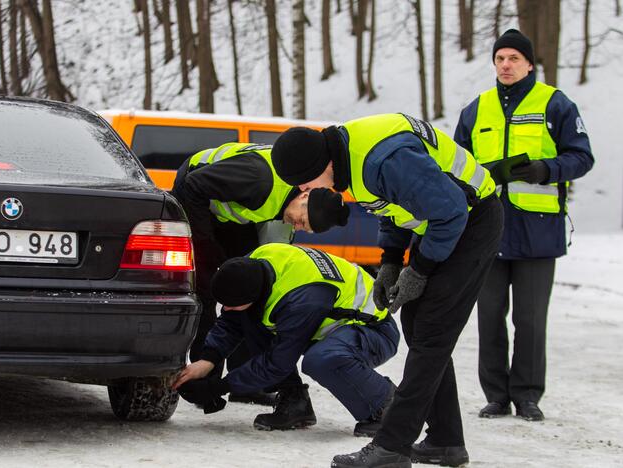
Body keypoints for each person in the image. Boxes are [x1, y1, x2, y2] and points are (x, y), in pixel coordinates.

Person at [270, 114, 503, 467]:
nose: (304, 192)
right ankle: (445, 440)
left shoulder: (385, 158)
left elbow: (451, 211)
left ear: (323, 164)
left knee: (432, 332)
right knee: (418, 325)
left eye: (303, 183)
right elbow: (390, 208)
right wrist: (391, 261)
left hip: (471, 220)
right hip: (444, 222)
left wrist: (420, 269)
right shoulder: (350, 158)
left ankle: (391, 447)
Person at [453, 29, 594, 422]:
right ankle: (496, 396)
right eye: (500, 58)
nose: (506, 65)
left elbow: (582, 157)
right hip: (486, 231)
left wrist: (546, 170)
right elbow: (456, 164)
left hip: (538, 232)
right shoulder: (476, 109)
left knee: (530, 320)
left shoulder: (555, 104)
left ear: (530, 64)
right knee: (489, 315)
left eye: (514, 58)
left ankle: (528, 395)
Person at [171, 142, 349, 406]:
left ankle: (247, 383)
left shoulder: (286, 205)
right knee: (207, 289)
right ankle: (201, 381)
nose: (299, 226)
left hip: (230, 215)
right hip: (196, 197)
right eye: (302, 220)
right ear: (303, 196)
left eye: (305, 228)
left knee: (251, 287)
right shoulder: (259, 179)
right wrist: (205, 247)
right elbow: (193, 186)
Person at [172, 242, 400, 435]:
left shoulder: (301, 300)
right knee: (252, 318)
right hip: (330, 323)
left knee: (320, 359)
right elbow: (234, 318)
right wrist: (208, 360)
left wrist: (218, 386)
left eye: (231, 304)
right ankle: (295, 402)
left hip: (373, 330)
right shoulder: (257, 262)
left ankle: (385, 406)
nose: (227, 308)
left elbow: (277, 363)